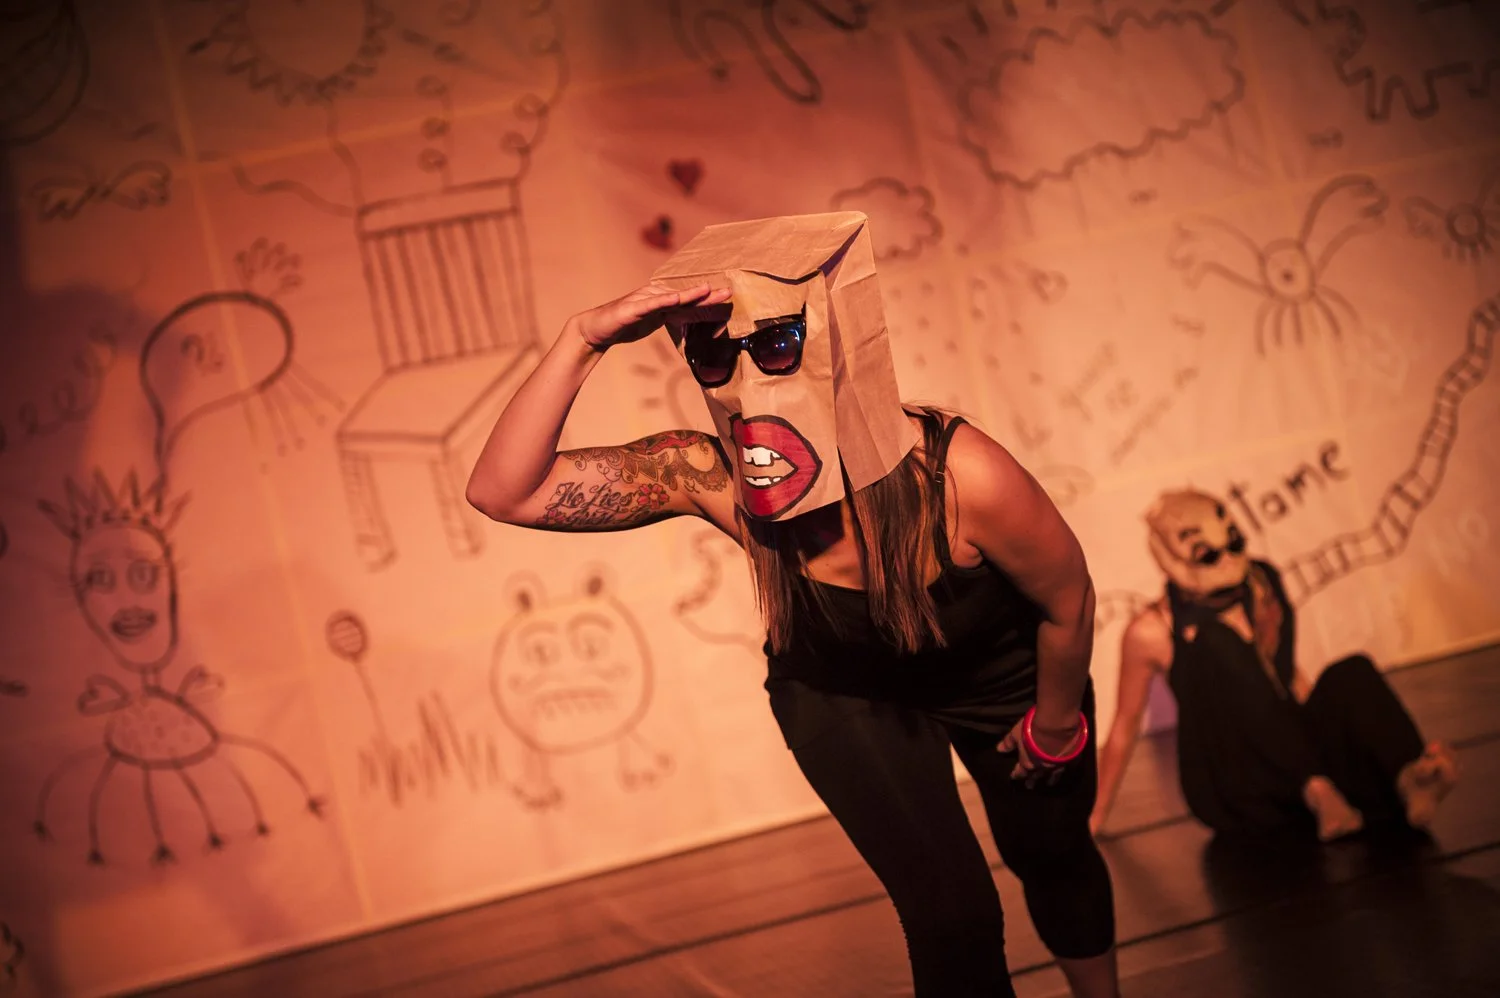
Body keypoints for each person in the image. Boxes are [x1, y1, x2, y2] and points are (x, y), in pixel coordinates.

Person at [466, 213, 1119, 998]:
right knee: (951, 914)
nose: (746, 381)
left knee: (1052, 852)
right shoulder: (711, 477)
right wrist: (583, 339)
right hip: (843, 689)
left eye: (776, 344)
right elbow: (505, 491)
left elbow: (1068, 599)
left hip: (1001, 680)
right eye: (713, 355)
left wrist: (1055, 725)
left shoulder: (957, 476)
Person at [1090, 489, 1459, 842]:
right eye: (1208, 554)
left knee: (1351, 672)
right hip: (1233, 777)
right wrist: (1095, 815)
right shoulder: (1153, 630)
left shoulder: (1261, 583)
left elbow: (1282, 678)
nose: (1227, 559)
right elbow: (1126, 723)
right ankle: (1316, 788)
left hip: (1284, 754)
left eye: (1234, 543)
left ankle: (1409, 779)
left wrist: (1327, 728)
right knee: (1218, 642)